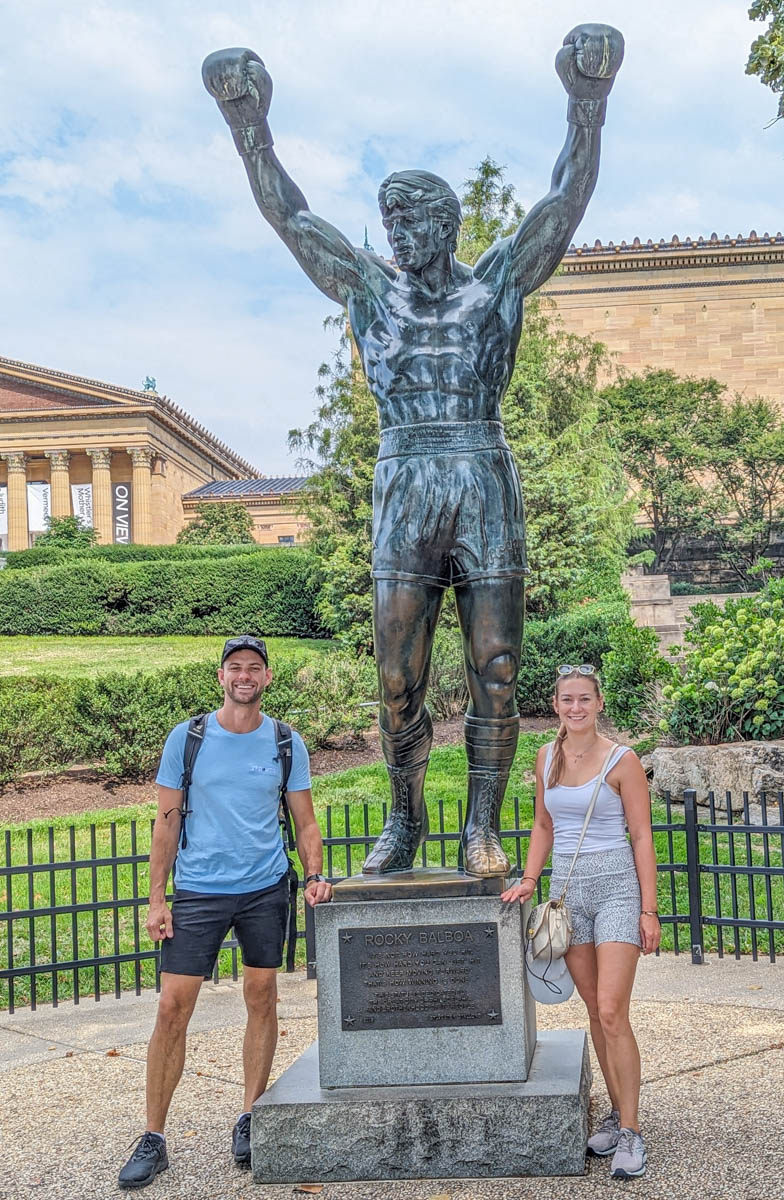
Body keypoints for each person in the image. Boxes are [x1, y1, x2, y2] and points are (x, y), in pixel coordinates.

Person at [201, 24, 624, 878]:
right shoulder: (369, 288)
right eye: (388, 218)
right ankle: (405, 817)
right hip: (404, 478)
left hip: (481, 474)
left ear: (446, 223)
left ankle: (481, 827)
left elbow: (564, 203)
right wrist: (249, 124)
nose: (394, 231)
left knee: (496, 668)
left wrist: (587, 102)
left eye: (409, 218)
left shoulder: (496, 282)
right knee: (398, 676)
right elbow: (291, 216)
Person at [118, 635, 333, 1191]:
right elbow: (166, 822)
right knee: (172, 1008)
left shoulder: (285, 742)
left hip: (264, 888)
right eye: (235, 667)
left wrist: (314, 874)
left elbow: (305, 821)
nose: (244, 676)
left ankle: (251, 1116)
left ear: (266, 677)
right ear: (221, 677)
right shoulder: (187, 739)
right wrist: (157, 898)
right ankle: (154, 1136)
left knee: (262, 998)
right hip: (198, 890)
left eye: (254, 667)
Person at [501, 664, 661, 1181]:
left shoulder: (622, 760)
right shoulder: (546, 757)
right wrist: (530, 879)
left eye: (585, 699)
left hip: (616, 888)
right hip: (568, 894)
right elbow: (543, 824)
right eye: (567, 699)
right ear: (555, 705)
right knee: (593, 1008)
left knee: (613, 1009)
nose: (576, 708)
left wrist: (649, 909)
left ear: (598, 703)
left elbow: (641, 836)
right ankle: (616, 1112)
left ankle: (632, 1130)